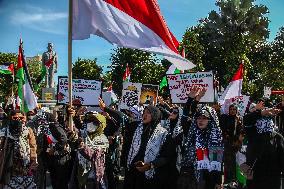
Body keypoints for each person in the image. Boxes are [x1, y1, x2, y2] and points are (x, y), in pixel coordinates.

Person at [179, 104, 223, 189]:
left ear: (210, 120)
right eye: (199, 118)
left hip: (208, 178)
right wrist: (192, 100)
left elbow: (217, 162)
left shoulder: (215, 138)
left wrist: (218, 182)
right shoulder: (192, 133)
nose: (201, 121)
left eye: (204, 118)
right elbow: (184, 119)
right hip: (191, 177)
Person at [243, 100, 283, 189]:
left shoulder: (275, 127)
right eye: (266, 110)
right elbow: (246, 120)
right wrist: (260, 112)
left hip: (274, 171)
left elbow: (279, 147)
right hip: (256, 168)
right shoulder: (252, 125)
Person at [70, 111, 109, 189]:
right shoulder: (84, 134)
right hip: (81, 174)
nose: (90, 124)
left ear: (101, 125)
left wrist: (83, 147)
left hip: (95, 175)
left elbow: (95, 155)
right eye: (89, 121)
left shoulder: (103, 139)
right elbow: (74, 136)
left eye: (94, 122)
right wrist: (71, 116)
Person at [0, 110, 37, 189]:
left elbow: (33, 146)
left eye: (21, 118)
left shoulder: (28, 130)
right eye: (15, 118)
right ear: (11, 118)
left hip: (25, 162)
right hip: (9, 163)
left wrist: (33, 160)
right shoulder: (5, 131)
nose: (18, 120)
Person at [220, 104, 243, 184]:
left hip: (236, 144)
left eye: (234, 109)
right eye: (231, 109)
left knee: (236, 162)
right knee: (227, 163)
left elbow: (241, 131)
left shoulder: (239, 119)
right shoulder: (226, 118)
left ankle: (235, 180)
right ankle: (227, 181)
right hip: (228, 144)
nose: (232, 111)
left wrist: (239, 123)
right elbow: (223, 129)